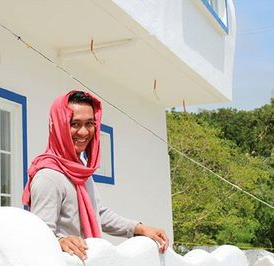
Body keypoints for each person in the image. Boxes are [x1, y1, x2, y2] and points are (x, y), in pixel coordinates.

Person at [22, 90, 169, 261]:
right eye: (74, 124)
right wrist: (60, 241)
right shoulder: (49, 177)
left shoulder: (79, 171)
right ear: (59, 126)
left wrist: (139, 228)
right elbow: (39, 236)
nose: (84, 132)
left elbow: (98, 213)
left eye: (89, 124)